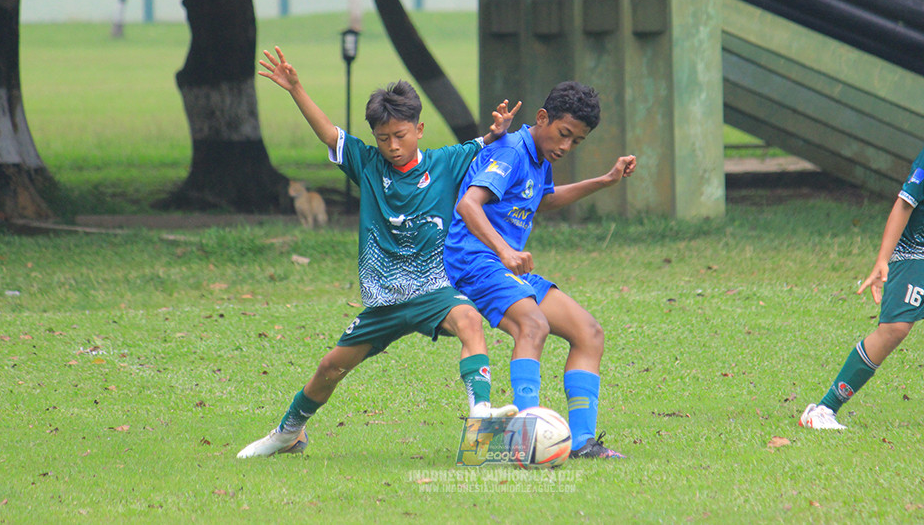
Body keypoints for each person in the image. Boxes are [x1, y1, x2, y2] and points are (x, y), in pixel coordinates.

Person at [238, 46, 520, 458]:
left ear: (419, 129)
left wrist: (499, 132)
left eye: (400, 136)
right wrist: (296, 88)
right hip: (382, 302)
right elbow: (329, 132)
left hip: (432, 292)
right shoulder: (367, 164)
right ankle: (288, 433)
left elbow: (488, 142)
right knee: (328, 369)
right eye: (383, 138)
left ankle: (480, 417)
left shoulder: (446, 162)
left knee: (469, 321)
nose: (391, 145)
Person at [800, 54, 924, 430]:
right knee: (894, 329)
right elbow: (905, 202)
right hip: (918, 249)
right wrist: (882, 261)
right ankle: (822, 410)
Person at [443, 81, 637, 459]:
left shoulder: (540, 156)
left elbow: (541, 200)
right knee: (533, 325)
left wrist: (605, 180)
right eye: (563, 134)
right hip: (474, 258)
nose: (565, 147)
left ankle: (581, 443)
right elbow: (468, 205)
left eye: (576, 142)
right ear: (542, 118)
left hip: (503, 265)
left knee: (589, 333)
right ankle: (525, 439)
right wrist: (504, 250)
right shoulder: (513, 151)